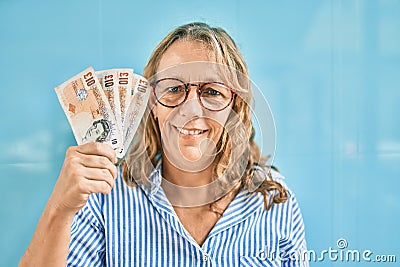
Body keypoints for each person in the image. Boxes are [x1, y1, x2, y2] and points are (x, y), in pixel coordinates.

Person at [20, 22, 308, 266]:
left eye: (211, 91)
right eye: (173, 88)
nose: (191, 109)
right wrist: (60, 208)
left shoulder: (276, 202)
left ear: (234, 106)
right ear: (151, 104)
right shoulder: (104, 198)